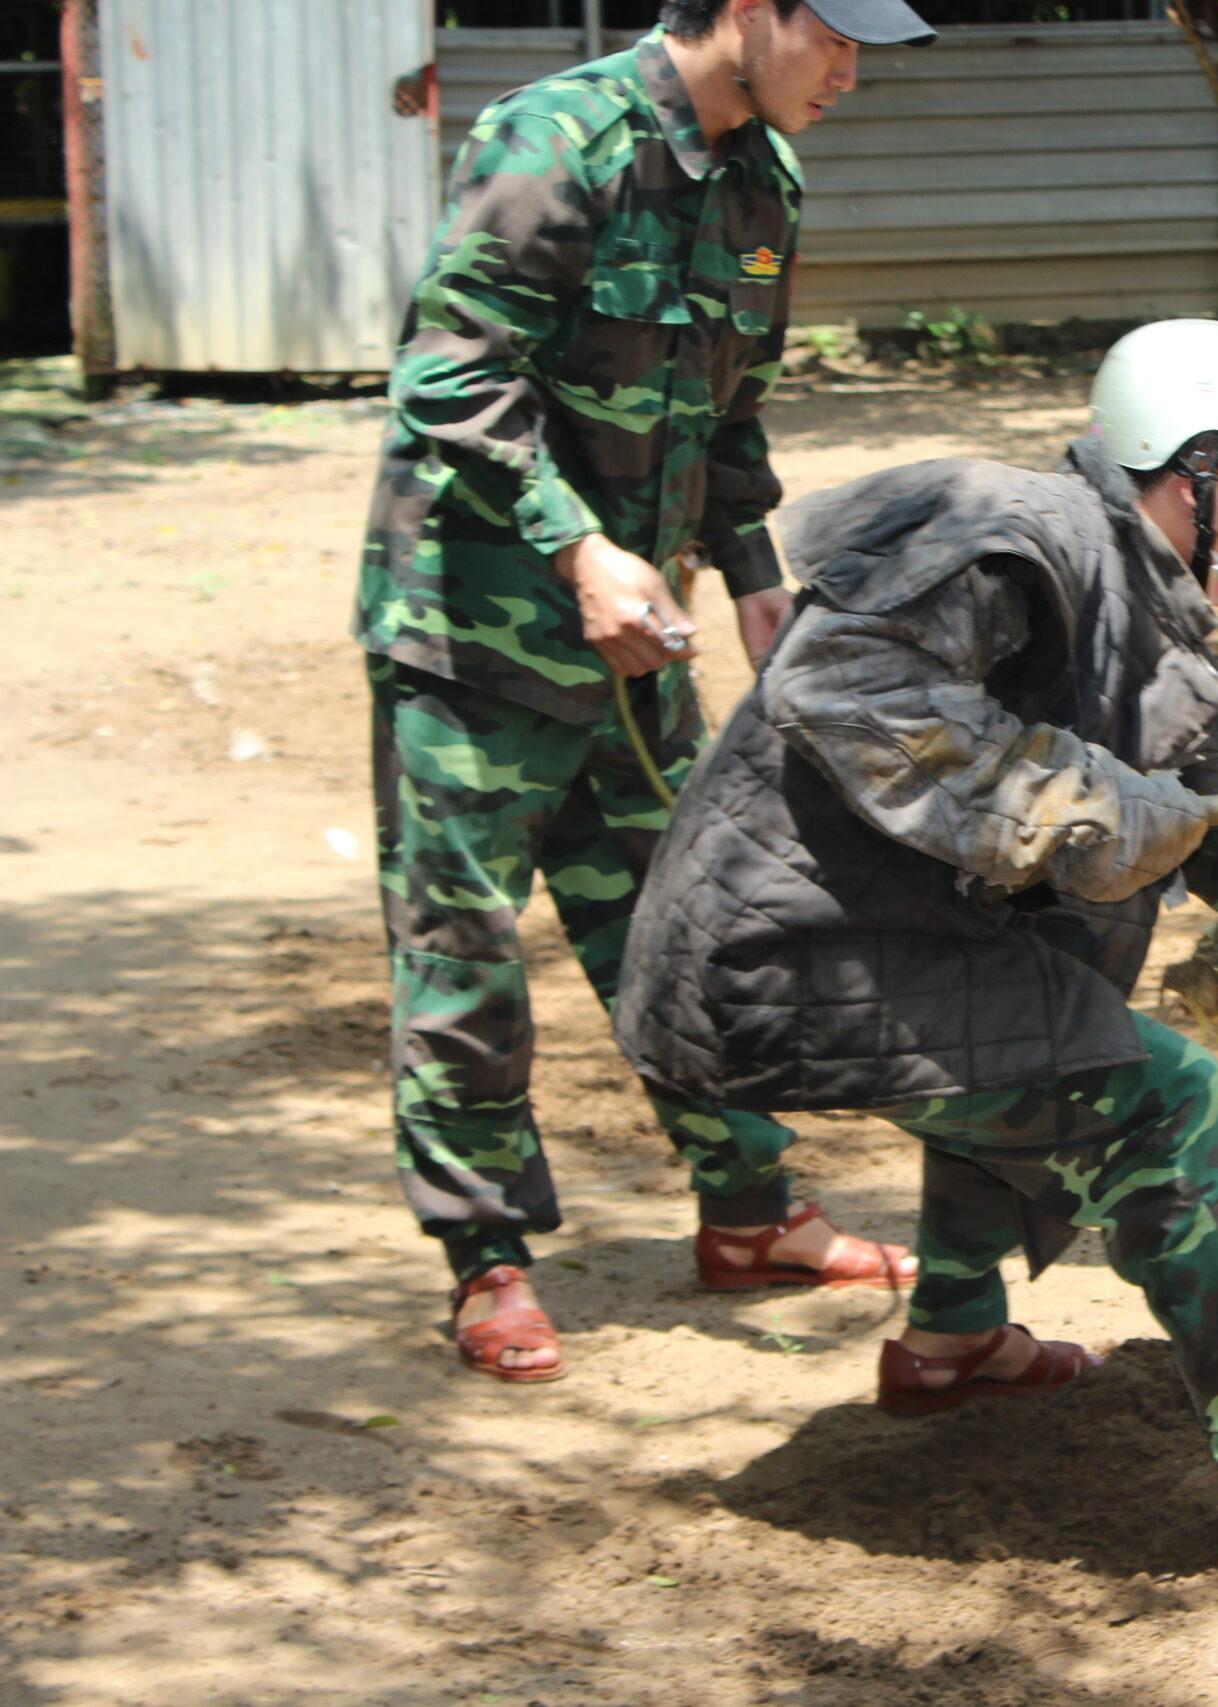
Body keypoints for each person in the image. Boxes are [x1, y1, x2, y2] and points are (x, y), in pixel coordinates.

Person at [613, 319, 1218, 1582]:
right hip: (783, 960)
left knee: (1039, 1032)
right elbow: (843, 681)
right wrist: (1062, 798)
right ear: (1201, 464)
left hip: (863, 954)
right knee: (1176, 1116)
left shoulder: (1143, 614)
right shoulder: (1009, 532)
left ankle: (954, 1340)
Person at [352, 0, 937, 1384]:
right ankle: (487, 1258)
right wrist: (577, 543)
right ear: (746, 12)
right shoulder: (557, 138)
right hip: (474, 635)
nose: (850, 71)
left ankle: (747, 1208)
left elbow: (728, 409)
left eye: (869, 48)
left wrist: (752, 570)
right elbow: (451, 366)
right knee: (466, 956)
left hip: (640, 639)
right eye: (834, 38)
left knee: (689, 928)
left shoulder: (761, 177)